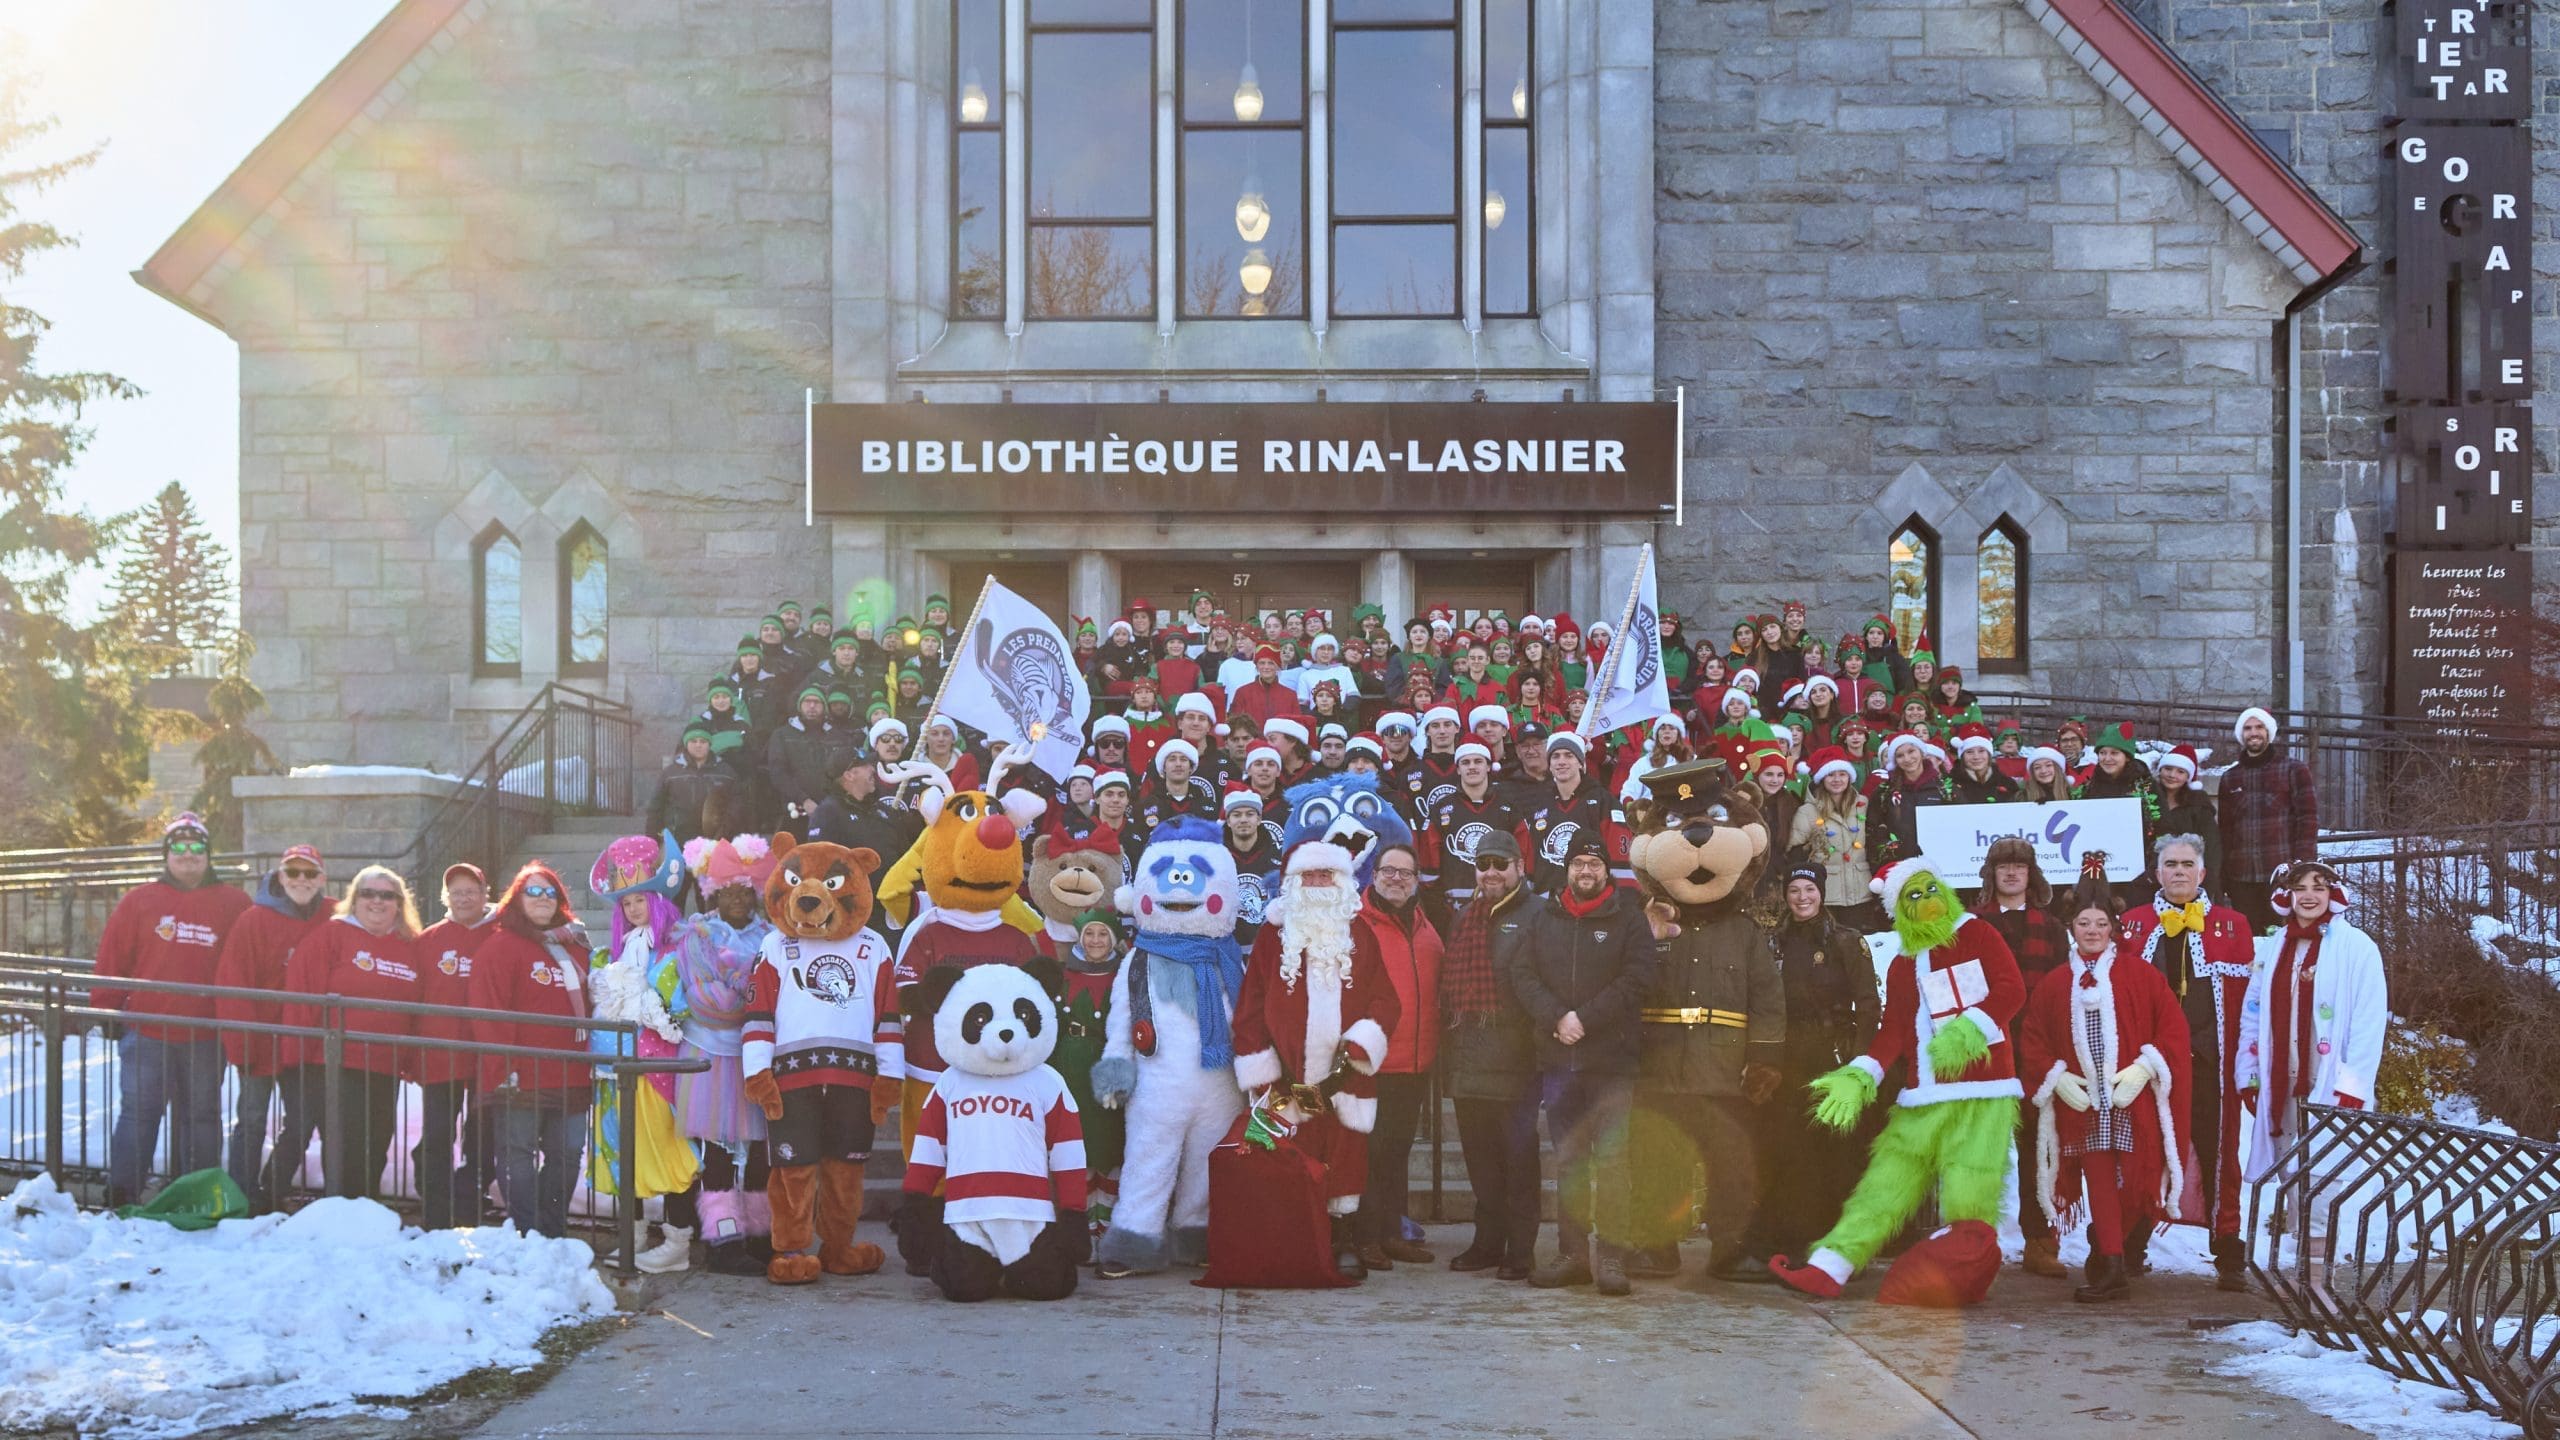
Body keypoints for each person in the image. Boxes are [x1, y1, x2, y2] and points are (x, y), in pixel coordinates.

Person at [1625, 760, 1787, 1285]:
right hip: (1660, 1066)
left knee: (1730, 1165)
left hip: (1723, 1071)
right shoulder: (1644, 928)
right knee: (1658, 1161)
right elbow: (1624, 990)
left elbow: (1768, 1000)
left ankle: (1731, 1249)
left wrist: (1763, 1060)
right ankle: (1656, 1247)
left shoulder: (1745, 933)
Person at [2019, 856, 2194, 1302]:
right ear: (2071, 928)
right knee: (2098, 1179)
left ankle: (2107, 1242)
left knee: (2137, 1183)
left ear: (2113, 928)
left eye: (2100, 923)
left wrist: (2145, 1068)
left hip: (2130, 1098)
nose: (2092, 931)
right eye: (2084, 923)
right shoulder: (2056, 983)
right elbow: (2033, 1038)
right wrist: (2057, 1078)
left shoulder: (2141, 976)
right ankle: (2113, 1265)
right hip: (2084, 1103)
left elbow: (2173, 1030)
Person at [1231, 837, 1402, 1281]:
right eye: (1309, 876)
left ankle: (1342, 1238)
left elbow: (1385, 999)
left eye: (1327, 875)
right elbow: (1250, 1006)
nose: (1318, 883)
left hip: (1345, 1077)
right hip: (1286, 1079)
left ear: (1341, 881)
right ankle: (1296, 1239)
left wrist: (1362, 1045)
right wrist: (1263, 1068)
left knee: (1344, 1155)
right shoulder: (1272, 937)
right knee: (1290, 1155)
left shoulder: (1360, 933)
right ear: (1293, 882)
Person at [1507, 834, 1660, 1296]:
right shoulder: (1544, 917)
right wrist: (1557, 1017)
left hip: (1611, 1063)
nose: (1586, 871)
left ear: (1606, 869)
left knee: (1612, 1162)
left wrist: (1584, 1019)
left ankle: (1611, 1257)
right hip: (1559, 1062)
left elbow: (1639, 977)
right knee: (1570, 1161)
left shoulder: (1627, 918)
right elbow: (1522, 974)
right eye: (1578, 863)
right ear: (1567, 868)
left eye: (1594, 863)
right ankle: (1572, 1255)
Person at [91, 812, 254, 1206]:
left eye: (196, 847)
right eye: (178, 847)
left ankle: (196, 1193)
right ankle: (122, 1192)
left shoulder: (235, 903)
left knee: (202, 1116)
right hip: (147, 1029)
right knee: (138, 1112)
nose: (187, 854)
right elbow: (113, 957)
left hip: (206, 1032)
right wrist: (106, 1008)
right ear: (166, 854)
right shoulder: (139, 900)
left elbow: (248, 961)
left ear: (208, 854)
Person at [2118, 834, 2255, 1290]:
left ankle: (2228, 1248)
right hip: (2148, 1065)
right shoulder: (2133, 925)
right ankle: (2131, 1244)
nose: (2179, 871)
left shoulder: (2232, 925)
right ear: (2157, 872)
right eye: (2171, 864)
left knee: (2217, 1152)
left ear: (2202, 872)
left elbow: (2243, 1004)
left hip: (2209, 1063)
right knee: (2144, 1151)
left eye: (2187, 864)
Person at [1739, 863, 1880, 1273]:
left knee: (1834, 1152)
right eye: (1795, 890)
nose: (1802, 897)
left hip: (1832, 1055)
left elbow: (1868, 1005)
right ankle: (1789, 1237)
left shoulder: (1845, 941)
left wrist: (1860, 1062)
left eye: (1809, 889)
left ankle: (1840, 1244)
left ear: (1822, 892)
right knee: (1789, 1150)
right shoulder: (1773, 942)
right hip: (1786, 1057)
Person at [2235, 860, 2389, 1213]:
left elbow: (2369, 1020)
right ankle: (2299, 1243)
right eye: (2300, 888)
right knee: (2290, 1172)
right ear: (2286, 895)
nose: (2309, 896)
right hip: (2282, 1079)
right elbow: (2253, 1014)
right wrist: (2250, 1074)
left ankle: (2318, 1248)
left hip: (2329, 1077)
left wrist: (2354, 1083)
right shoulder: (2273, 947)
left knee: (2322, 1177)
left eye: (2318, 888)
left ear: (2333, 894)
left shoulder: (2357, 946)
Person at [279, 865, 424, 1201]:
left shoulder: (410, 945)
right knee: (346, 1141)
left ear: (399, 904)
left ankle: (366, 1208)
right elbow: (303, 993)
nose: (377, 901)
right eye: (368, 893)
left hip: (386, 1063)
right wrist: (296, 1055)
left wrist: (412, 1059)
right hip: (335, 1062)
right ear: (354, 898)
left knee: (378, 1139)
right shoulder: (331, 935)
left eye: (387, 895)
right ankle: (340, 1209)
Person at [469, 863, 597, 1238]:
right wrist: (503, 1066)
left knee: (568, 1153)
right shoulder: (500, 946)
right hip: (520, 1075)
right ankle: (527, 1232)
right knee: (518, 1152)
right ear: (516, 899)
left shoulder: (577, 945)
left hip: (572, 1072)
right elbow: (489, 1010)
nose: (543, 899)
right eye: (534, 891)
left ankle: (552, 1230)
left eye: (550, 892)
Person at [1439, 833, 1541, 1280]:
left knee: (1518, 1161)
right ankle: (1487, 1242)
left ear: (1519, 866)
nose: (1492, 872)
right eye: (1483, 864)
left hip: (1516, 1059)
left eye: (1501, 863)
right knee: (1480, 1160)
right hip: (1468, 1057)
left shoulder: (1538, 915)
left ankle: (1520, 1249)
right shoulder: (1465, 917)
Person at [1971, 836, 2072, 1278]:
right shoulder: (1973, 925)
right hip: (1986, 1048)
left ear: (2032, 875)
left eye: (2020, 866)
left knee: (2037, 1148)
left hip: (2034, 1049)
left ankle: (2040, 1240)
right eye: (2003, 866)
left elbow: (2061, 991)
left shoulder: (2050, 927)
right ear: (1991, 874)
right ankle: (1973, 1241)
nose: (2011, 873)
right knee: (1981, 1148)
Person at [210, 844, 331, 1211]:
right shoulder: (253, 921)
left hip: (303, 1042)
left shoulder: (333, 916)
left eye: (309, 873)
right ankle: (240, 1194)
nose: (301, 880)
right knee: (251, 1119)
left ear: (321, 879)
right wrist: (242, 1044)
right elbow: (233, 983)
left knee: (304, 1119)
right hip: (259, 1040)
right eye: (293, 872)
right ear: (280, 876)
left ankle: (271, 1188)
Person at [1354, 845, 1442, 1272]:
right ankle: (1366, 1236)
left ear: (1416, 880)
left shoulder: (1426, 925)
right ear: (1373, 876)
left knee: (1397, 1152)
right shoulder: (1357, 924)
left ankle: (1392, 1232)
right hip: (1372, 1062)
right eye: (1389, 870)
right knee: (1371, 1153)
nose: (1396, 879)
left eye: (1406, 873)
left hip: (1416, 1062)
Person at [412, 862, 502, 1229]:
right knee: (437, 1132)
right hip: (440, 1053)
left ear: (484, 895)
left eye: (471, 891)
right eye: (456, 892)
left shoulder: (500, 935)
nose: (464, 898)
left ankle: (468, 1202)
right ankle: (434, 1208)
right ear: (445, 897)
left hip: (485, 1056)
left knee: (482, 1134)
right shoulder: (429, 939)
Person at [2217, 706, 2318, 930]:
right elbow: (2225, 830)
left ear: (2268, 732)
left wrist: (2301, 865)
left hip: (2282, 876)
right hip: (2241, 878)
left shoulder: (2293, 769)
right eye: (2247, 728)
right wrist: (2224, 875)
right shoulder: (2230, 778)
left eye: (2259, 727)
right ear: (2241, 734)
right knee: (2250, 941)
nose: (2253, 732)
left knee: (2284, 937)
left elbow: (2308, 819)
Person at [1790, 749, 1874, 929]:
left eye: (1842, 774)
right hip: (1827, 894)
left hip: (1862, 891)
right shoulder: (1808, 811)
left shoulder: (1863, 804)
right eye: (1830, 775)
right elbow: (1794, 851)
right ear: (1822, 778)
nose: (1837, 779)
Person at [649, 724, 739, 846]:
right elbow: (655, 808)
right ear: (686, 744)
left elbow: (736, 805)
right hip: (678, 842)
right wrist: (652, 841)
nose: (698, 745)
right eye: (693, 741)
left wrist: (725, 832)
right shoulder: (670, 773)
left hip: (715, 841)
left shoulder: (726, 772)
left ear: (709, 744)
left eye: (703, 741)